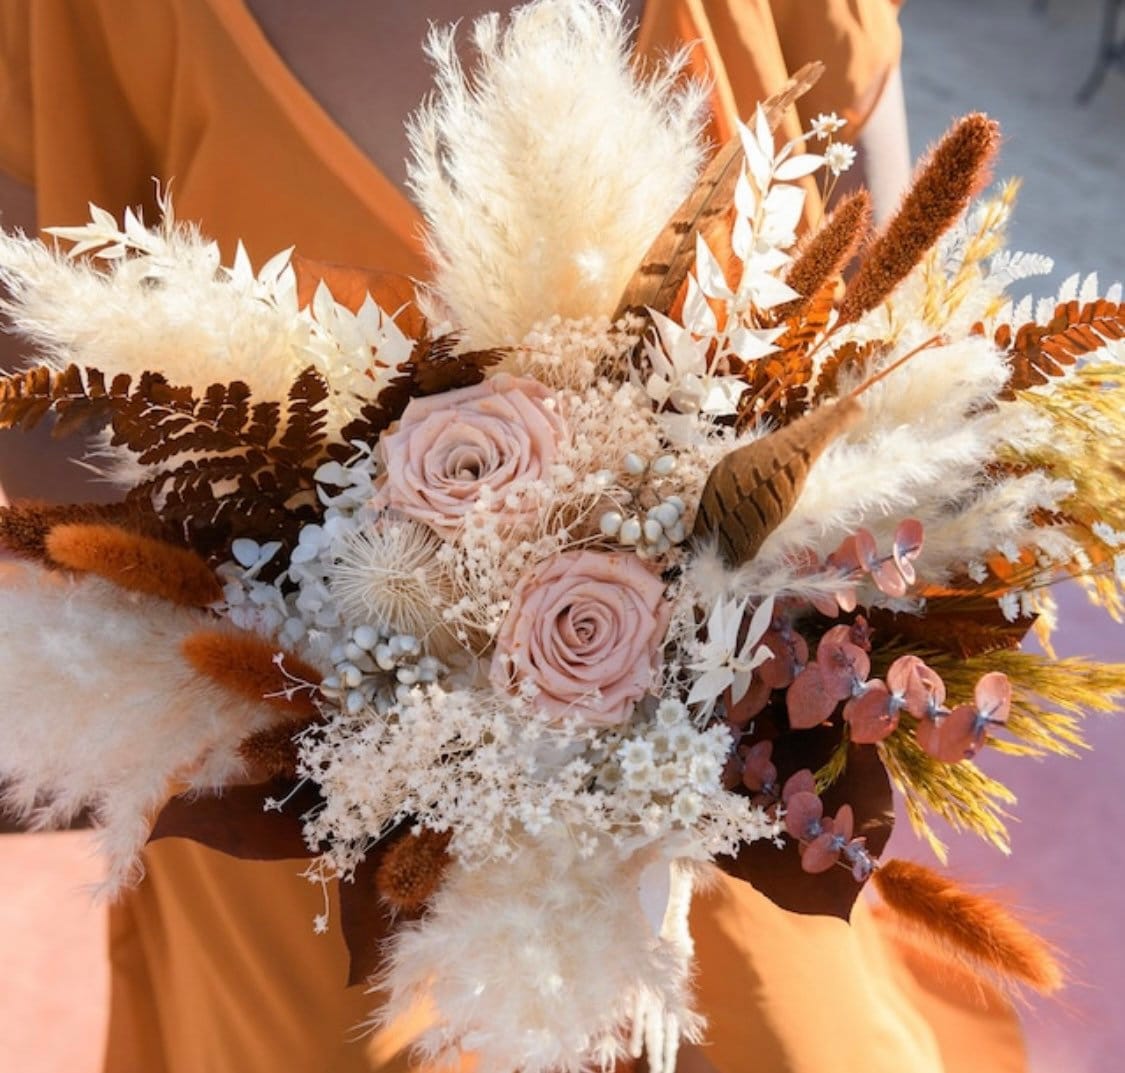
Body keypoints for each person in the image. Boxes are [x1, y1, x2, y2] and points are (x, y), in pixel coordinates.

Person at [2, 3, 1022, 1072]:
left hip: (720, 802)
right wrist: (404, 657)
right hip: (298, 804)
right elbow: (37, 418)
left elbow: (899, 357)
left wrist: (687, 654)